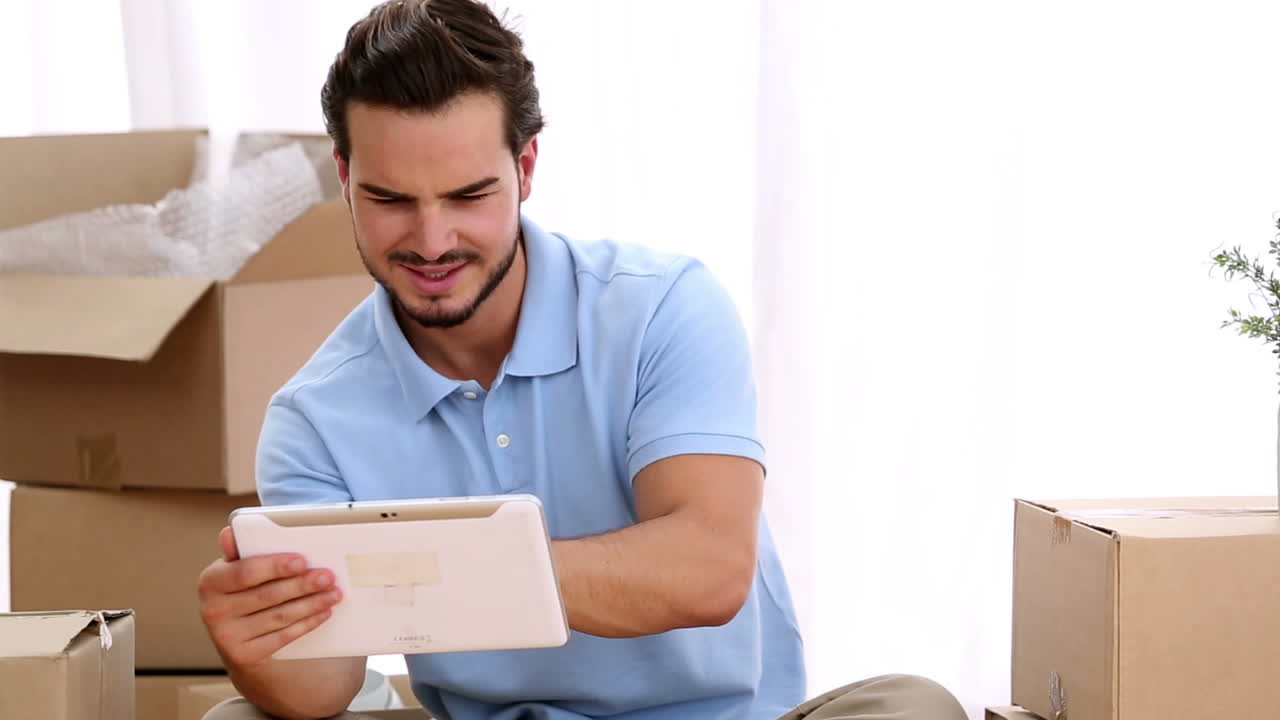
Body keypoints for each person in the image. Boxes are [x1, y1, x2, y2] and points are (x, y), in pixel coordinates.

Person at [196, 1, 968, 718]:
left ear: (526, 169)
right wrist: (263, 647)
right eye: (392, 199)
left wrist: (440, 571)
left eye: (469, 195)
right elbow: (327, 682)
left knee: (915, 705)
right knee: (239, 715)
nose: (431, 242)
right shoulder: (315, 417)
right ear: (346, 177)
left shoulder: (664, 308)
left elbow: (707, 568)